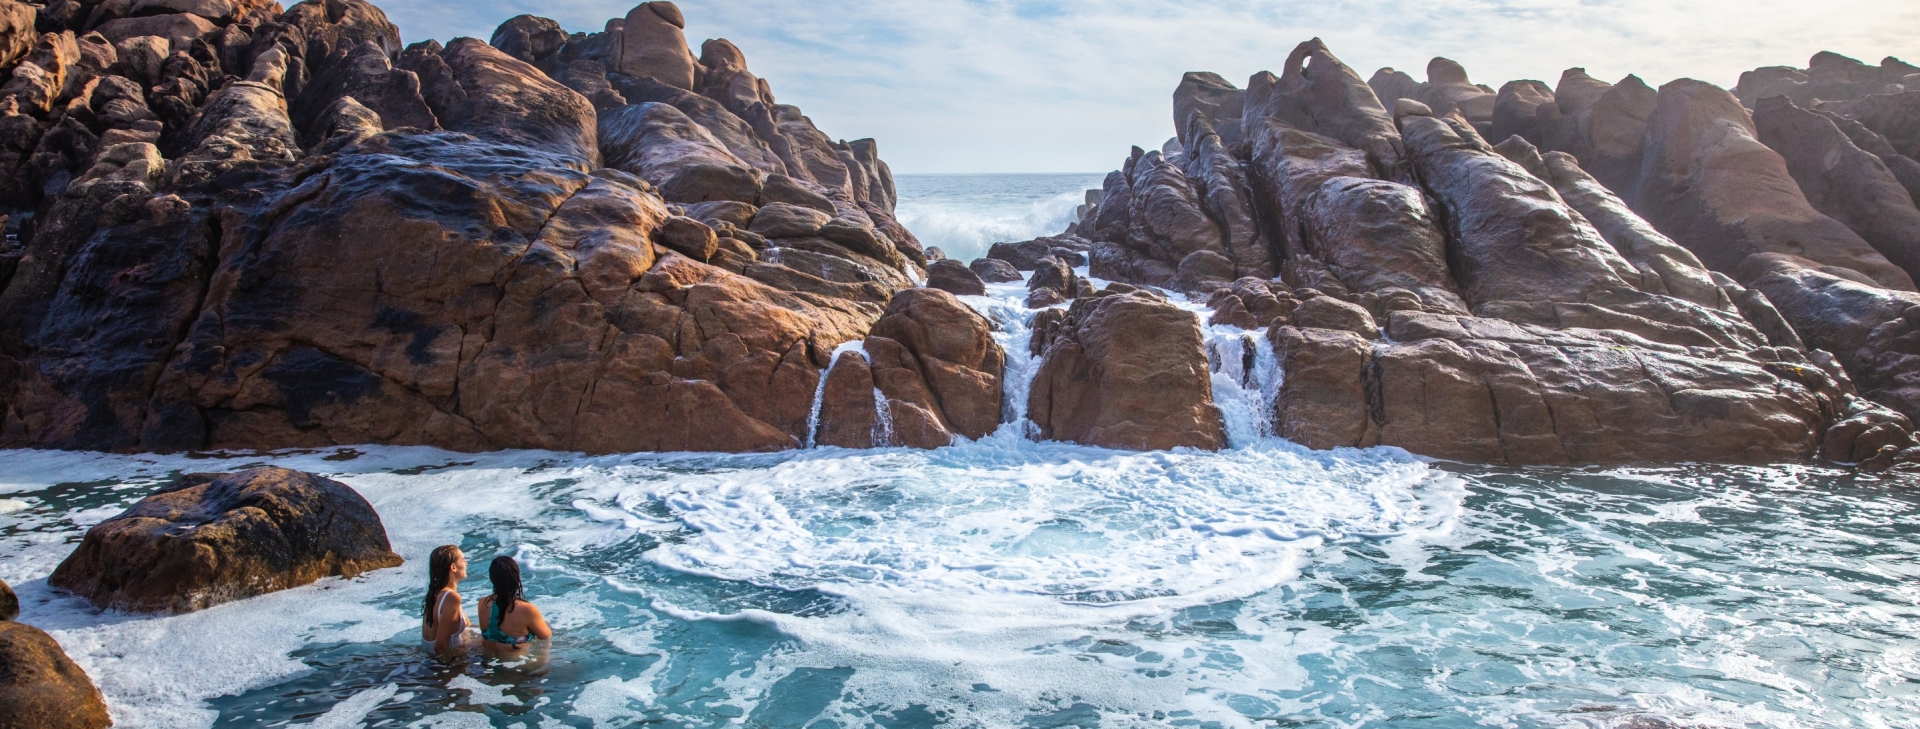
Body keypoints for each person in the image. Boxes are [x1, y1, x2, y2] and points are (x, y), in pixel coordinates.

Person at [477, 555, 552, 655]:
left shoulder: (483, 603)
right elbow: (545, 636)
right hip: (516, 664)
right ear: (516, 578)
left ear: (492, 578)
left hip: (486, 661)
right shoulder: (527, 609)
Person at [420, 545, 470, 653]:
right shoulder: (451, 598)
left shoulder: (435, 595)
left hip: (430, 660)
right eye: (463, 560)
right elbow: (441, 647)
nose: (466, 563)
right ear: (453, 567)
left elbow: (468, 626)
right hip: (451, 663)